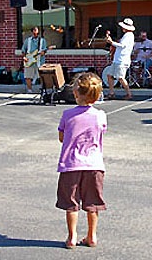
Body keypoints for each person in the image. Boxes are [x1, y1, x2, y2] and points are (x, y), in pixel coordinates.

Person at [56, 72, 107, 249]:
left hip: (71, 165)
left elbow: (62, 137)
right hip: (94, 165)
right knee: (92, 203)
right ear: (97, 95)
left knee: (71, 203)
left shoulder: (67, 114)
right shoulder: (100, 115)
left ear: (76, 93)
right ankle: (92, 236)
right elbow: (100, 133)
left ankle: (72, 237)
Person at [105, 18, 135, 100]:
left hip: (122, 60)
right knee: (109, 75)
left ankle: (129, 94)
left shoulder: (129, 36)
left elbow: (122, 46)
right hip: (118, 59)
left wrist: (111, 42)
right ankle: (111, 93)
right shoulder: (127, 35)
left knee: (121, 78)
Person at [21, 26, 47, 93]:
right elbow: (23, 50)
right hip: (29, 60)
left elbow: (44, 51)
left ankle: (42, 89)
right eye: (34, 30)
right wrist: (24, 57)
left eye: (36, 30)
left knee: (42, 76)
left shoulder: (42, 41)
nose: (35, 31)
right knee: (28, 76)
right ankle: (29, 89)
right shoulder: (28, 40)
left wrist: (42, 52)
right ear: (32, 31)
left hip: (39, 61)